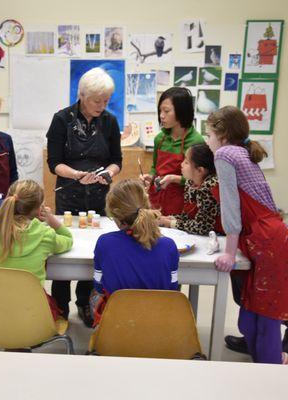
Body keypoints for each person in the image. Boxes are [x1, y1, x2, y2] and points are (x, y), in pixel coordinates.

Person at [206, 105, 288, 364]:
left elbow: (231, 207)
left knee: (265, 322)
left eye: (209, 135)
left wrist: (229, 252)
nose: (208, 141)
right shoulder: (242, 152)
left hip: (267, 240)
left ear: (222, 134)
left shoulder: (226, 154)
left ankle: (271, 371)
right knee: (249, 319)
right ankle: (275, 359)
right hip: (273, 238)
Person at [46, 67, 122, 327]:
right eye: (96, 101)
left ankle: (85, 304)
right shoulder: (61, 120)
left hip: (99, 197)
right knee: (63, 250)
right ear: (82, 96)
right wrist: (77, 174)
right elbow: (54, 163)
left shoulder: (110, 122)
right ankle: (60, 307)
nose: (101, 106)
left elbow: (116, 161)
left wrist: (109, 174)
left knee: (93, 253)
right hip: (68, 195)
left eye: (106, 101)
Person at [0, 180, 73, 320]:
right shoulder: (45, 235)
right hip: (32, 317)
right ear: (38, 208)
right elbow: (68, 239)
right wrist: (51, 220)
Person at [90, 179, 179, 326]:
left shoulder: (105, 243)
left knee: (94, 296)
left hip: (117, 329)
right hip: (157, 329)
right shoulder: (169, 246)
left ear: (116, 216)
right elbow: (173, 288)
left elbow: (99, 286)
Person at [141, 87, 205, 216]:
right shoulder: (160, 138)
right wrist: (150, 177)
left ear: (182, 111)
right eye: (160, 111)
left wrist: (174, 179)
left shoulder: (196, 141)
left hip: (181, 200)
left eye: (166, 111)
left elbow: (200, 180)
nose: (161, 116)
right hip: (157, 197)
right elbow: (155, 167)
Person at [159, 143, 223, 235]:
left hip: (218, 237)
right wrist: (171, 219)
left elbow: (202, 227)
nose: (181, 164)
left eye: (186, 162)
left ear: (200, 170)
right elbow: (188, 217)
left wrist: (171, 224)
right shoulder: (191, 183)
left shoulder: (210, 188)